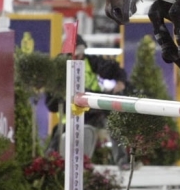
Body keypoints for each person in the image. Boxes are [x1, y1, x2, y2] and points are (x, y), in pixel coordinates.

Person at [46, 34, 129, 167]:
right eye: (75, 55)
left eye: (81, 54)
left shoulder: (91, 61)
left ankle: (123, 162)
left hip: (92, 111)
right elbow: (51, 105)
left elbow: (114, 68)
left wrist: (121, 82)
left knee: (114, 123)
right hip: (70, 115)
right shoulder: (57, 67)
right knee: (57, 139)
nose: (79, 58)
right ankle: (49, 166)